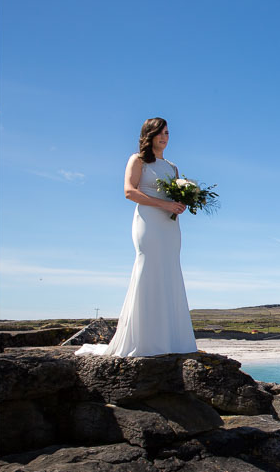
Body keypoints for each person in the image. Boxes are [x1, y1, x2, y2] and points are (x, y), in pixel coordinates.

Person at [76, 117, 199, 357]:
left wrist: (180, 204)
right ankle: (144, 340)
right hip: (148, 221)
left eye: (167, 133)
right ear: (149, 134)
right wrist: (163, 204)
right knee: (148, 267)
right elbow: (129, 191)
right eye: (160, 133)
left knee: (170, 270)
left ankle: (171, 341)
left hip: (169, 225)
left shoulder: (172, 167)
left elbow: (173, 197)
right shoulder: (138, 160)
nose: (164, 137)